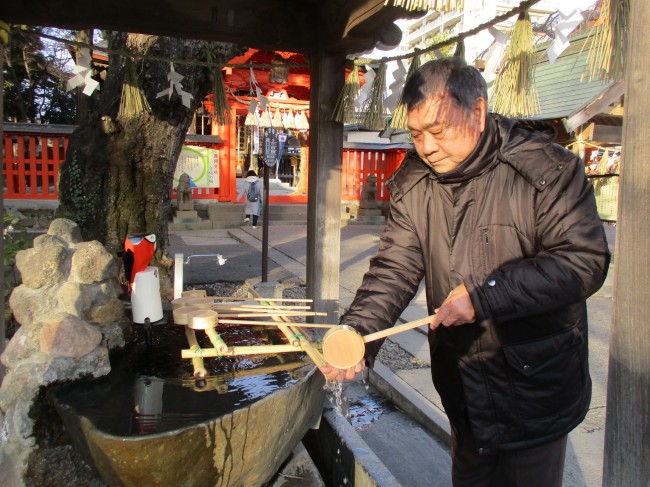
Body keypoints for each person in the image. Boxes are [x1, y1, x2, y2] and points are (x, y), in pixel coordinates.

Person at [319, 57, 610, 486]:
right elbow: (394, 267)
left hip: (535, 384)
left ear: (478, 111)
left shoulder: (545, 169)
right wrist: (358, 332)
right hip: (464, 386)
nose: (428, 147)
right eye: (417, 134)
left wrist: (485, 295)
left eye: (438, 131)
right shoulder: (417, 182)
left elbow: (583, 261)